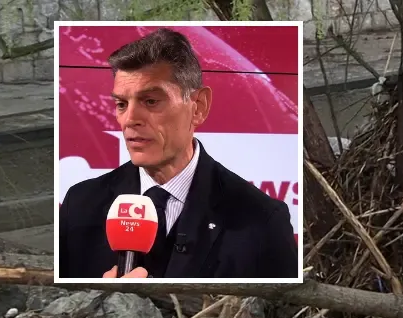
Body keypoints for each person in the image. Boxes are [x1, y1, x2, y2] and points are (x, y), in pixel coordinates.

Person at [57, 28, 298, 280]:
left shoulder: (261, 221)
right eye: (121, 104)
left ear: (198, 107)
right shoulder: (81, 205)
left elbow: (284, 315)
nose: (130, 119)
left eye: (151, 101)